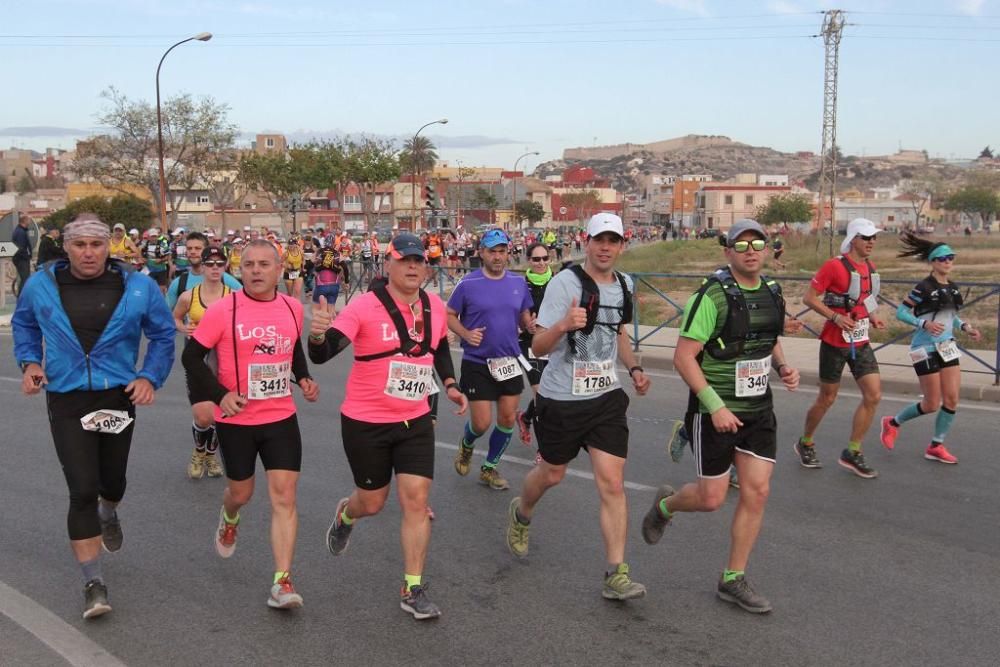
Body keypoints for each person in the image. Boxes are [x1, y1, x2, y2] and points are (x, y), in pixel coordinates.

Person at [12, 214, 175, 619]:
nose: (88, 252)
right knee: (81, 489)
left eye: (96, 245)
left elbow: (162, 334)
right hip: (66, 396)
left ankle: (109, 510)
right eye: (80, 244)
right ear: (66, 247)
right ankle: (93, 582)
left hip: (116, 394)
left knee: (112, 481)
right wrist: (30, 363)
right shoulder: (41, 284)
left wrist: (149, 376)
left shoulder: (137, 286)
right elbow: (24, 324)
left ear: (109, 247)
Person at [640, 219, 799, 614]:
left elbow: (768, 339)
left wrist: (782, 367)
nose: (750, 250)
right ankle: (665, 506)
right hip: (715, 412)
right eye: (740, 244)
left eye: (757, 243)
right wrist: (715, 406)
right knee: (711, 499)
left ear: (766, 249)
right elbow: (683, 357)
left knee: (757, 491)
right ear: (727, 251)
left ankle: (732, 578)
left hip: (758, 409)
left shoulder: (772, 292)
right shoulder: (711, 297)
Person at [308, 233, 467, 620]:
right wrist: (316, 334)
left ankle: (412, 587)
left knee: (415, 500)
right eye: (404, 260)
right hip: (366, 422)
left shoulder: (433, 304)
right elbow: (324, 353)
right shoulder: (364, 306)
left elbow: (439, 349)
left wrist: (449, 385)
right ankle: (347, 514)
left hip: (414, 420)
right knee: (373, 503)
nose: (413, 266)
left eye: (419, 260)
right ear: (388, 265)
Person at [505, 213, 651, 601]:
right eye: (599, 239)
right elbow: (537, 347)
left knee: (613, 484)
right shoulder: (564, 284)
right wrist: (563, 326)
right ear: (586, 241)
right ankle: (522, 513)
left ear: (621, 245)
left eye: (613, 240)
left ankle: (615, 572)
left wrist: (634, 368)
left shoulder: (624, 285)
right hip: (562, 400)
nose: (605, 247)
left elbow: (617, 330)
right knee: (551, 474)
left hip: (605, 398)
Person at [181, 240, 319, 609]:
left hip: (280, 416)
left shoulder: (292, 307)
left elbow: (292, 350)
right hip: (237, 419)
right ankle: (229, 517)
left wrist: (303, 378)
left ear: (279, 269)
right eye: (248, 265)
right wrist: (221, 393)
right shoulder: (223, 310)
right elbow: (192, 357)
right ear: (239, 271)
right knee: (241, 493)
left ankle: (282, 582)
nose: (256, 271)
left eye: (263, 264)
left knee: (285, 497)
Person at [879, 233, 982, 464]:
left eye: (951, 258)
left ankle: (936, 445)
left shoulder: (954, 288)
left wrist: (965, 326)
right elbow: (901, 312)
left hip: (947, 346)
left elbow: (951, 317)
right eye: (943, 258)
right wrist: (923, 323)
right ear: (933, 262)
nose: (948, 262)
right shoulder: (923, 287)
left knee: (952, 399)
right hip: (924, 347)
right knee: (931, 403)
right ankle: (892, 423)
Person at [795, 218, 886, 479]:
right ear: (854, 238)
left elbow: (865, 298)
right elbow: (808, 298)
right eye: (866, 237)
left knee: (874, 395)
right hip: (835, 342)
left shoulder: (870, 267)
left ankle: (853, 450)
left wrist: (873, 316)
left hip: (860, 340)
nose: (871, 242)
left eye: (874, 238)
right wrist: (835, 317)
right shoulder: (834, 266)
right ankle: (806, 442)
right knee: (827, 398)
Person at [448, 228, 534, 490]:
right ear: (482, 253)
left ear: (508, 253)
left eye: (502, 251)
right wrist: (465, 332)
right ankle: (467, 444)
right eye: (492, 252)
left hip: (509, 362)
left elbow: (524, 316)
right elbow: (449, 314)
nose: (497, 257)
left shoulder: (518, 283)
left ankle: (489, 468)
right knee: (482, 422)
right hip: (477, 362)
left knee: (508, 419)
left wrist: (532, 326)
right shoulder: (468, 284)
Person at [173, 246, 237, 479]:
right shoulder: (189, 296)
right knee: (202, 415)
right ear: (202, 267)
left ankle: (211, 454)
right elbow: (176, 318)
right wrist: (183, 327)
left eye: (219, 264)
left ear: (225, 266)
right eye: (210, 264)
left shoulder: (233, 296)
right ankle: (200, 451)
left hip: (225, 359)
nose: (214, 268)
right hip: (197, 359)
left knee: (222, 413)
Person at [515, 243, 555, 449]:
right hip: (527, 344)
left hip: (553, 344)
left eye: (544, 259)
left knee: (551, 393)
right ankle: (544, 449)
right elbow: (510, 315)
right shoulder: (520, 285)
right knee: (541, 395)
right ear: (529, 260)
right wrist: (524, 326)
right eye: (536, 259)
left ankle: (525, 417)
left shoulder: (558, 282)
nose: (541, 263)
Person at [164, 232, 242, 310]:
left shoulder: (223, 278)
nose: (193, 252)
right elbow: (164, 314)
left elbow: (246, 302)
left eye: (197, 248)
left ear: (206, 251)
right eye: (189, 248)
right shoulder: (179, 283)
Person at [141, 227, 172, 294]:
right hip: (149, 270)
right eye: (152, 236)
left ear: (157, 236)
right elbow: (141, 254)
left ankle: (161, 302)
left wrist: (161, 260)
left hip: (161, 270)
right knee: (149, 288)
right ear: (149, 237)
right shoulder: (145, 244)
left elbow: (168, 257)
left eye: (155, 236)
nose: (154, 238)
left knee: (161, 290)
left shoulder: (163, 244)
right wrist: (143, 259)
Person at [12, 214, 33, 296]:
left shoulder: (21, 230)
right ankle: (22, 297)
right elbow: (20, 248)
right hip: (21, 259)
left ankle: (22, 297)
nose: (30, 222)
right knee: (25, 279)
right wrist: (27, 256)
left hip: (21, 258)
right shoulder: (20, 232)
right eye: (29, 220)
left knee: (25, 279)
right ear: (25, 221)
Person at [283, 234, 305, 300]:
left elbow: (303, 260)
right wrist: (286, 265)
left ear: (296, 245)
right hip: (288, 273)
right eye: (290, 244)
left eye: (292, 244)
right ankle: (289, 305)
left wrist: (303, 268)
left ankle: (297, 307)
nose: (291, 246)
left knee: (297, 292)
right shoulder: (286, 253)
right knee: (290, 294)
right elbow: (280, 262)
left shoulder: (300, 252)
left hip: (298, 272)